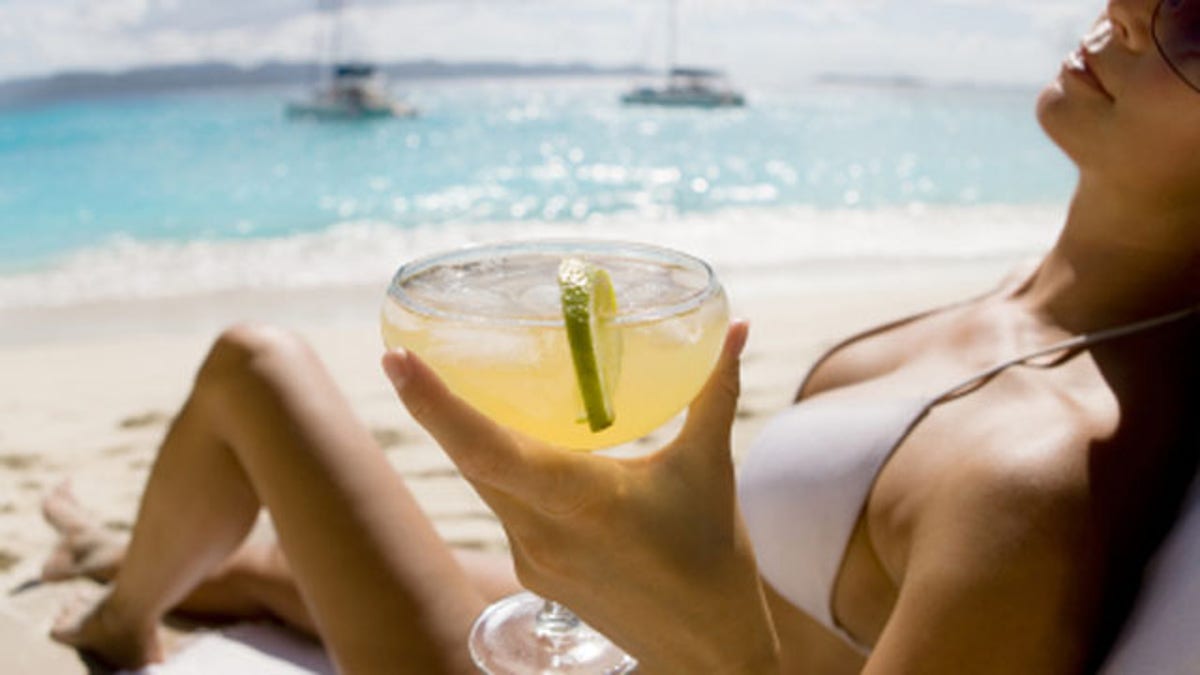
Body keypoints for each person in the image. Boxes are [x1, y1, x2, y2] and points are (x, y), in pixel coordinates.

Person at [44, 0, 1200, 672]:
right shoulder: (1041, 308)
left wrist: (704, 627)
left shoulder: (1038, 472)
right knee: (292, 567)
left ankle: (117, 618)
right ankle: (136, 566)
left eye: (1194, 23)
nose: (1132, 13)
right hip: (627, 619)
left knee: (257, 363)